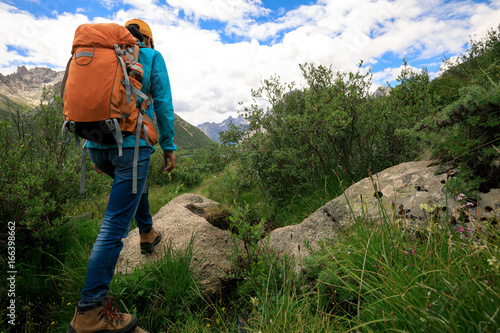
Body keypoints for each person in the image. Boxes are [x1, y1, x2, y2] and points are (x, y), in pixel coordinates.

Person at [68, 18, 176, 333]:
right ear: (149, 41)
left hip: (95, 145)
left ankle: (146, 232)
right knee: (114, 225)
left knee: (133, 185)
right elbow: (164, 103)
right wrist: (168, 146)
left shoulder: (104, 52)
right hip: (130, 143)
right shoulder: (151, 57)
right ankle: (90, 312)